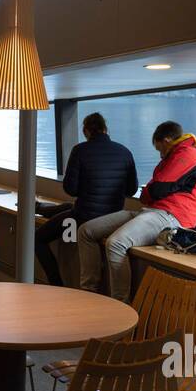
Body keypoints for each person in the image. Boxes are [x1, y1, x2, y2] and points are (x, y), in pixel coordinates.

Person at [79, 120, 196, 300]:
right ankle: (88, 292)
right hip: (152, 212)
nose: (161, 155)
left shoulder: (188, 154)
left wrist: (152, 191)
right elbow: (155, 192)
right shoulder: (185, 156)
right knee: (86, 231)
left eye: (160, 149)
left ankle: (120, 305)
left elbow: (156, 189)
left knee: (116, 243)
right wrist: (153, 192)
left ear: (166, 140)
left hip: (171, 217)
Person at [35, 112, 136, 286]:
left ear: (86, 131)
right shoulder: (125, 152)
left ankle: (56, 284)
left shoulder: (80, 150)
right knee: (66, 208)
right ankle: (39, 207)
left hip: (84, 218)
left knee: (36, 238)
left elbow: (70, 189)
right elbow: (132, 189)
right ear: (105, 129)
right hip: (113, 218)